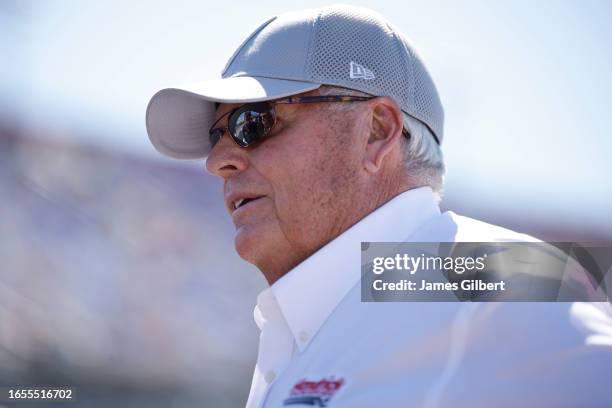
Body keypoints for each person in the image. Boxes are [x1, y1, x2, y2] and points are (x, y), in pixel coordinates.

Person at [145, 5, 612, 407]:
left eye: (254, 122)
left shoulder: (498, 272)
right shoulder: (308, 320)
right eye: (216, 135)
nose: (218, 161)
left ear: (376, 132)